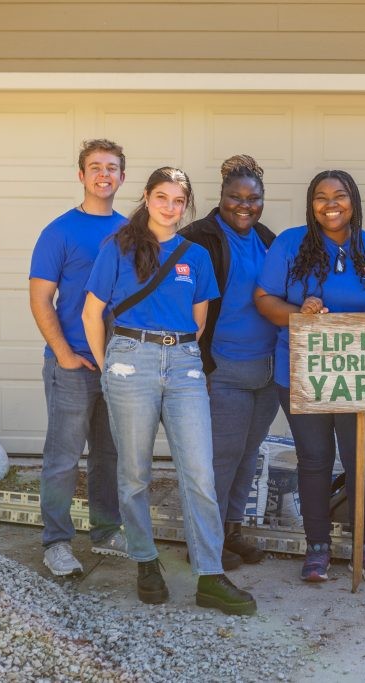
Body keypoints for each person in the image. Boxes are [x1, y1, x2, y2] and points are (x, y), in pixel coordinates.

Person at [82, 166, 257, 615]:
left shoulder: (194, 255)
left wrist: (175, 355)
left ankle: (210, 575)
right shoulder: (117, 247)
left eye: (178, 201)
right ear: (146, 197)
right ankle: (145, 561)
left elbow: (199, 322)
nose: (169, 207)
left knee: (199, 472)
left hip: (183, 365)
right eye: (162, 197)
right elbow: (91, 314)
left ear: (186, 206)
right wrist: (110, 368)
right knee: (136, 473)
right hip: (130, 360)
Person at [255, 170, 365, 584]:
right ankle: (317, 547)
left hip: (361, 374)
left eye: (339, 195)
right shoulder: (290, 244)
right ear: (311, 204)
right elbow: (264, 299)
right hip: (301, 372)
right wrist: (298, 312)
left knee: (363, 462)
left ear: (353, 201)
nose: (330, 203)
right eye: (320, 197)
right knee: (315, 460)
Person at [29, 139, 128, 577]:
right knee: (63, 457)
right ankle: (56, 542)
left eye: (111, 168)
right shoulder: (60, 231)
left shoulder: (131, 231)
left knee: (109, 456)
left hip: (118, 363)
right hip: (71, 364)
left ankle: (107, 532)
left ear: (123, 177)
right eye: (95, 167)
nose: (103, 174)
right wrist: (66, 354)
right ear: (81, 175)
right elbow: (40, 299)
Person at [180, 155, 277, 571]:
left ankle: (231, 531)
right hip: (222, 368)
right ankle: (204, 543)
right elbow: (183, 306)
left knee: (248, 454)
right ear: (220, 197)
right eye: (235, 197)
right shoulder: (198, 238)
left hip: (266, 369)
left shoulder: (268, 239)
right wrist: (195, 367)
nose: (244, 205)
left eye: (253, 198)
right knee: (221, 457)